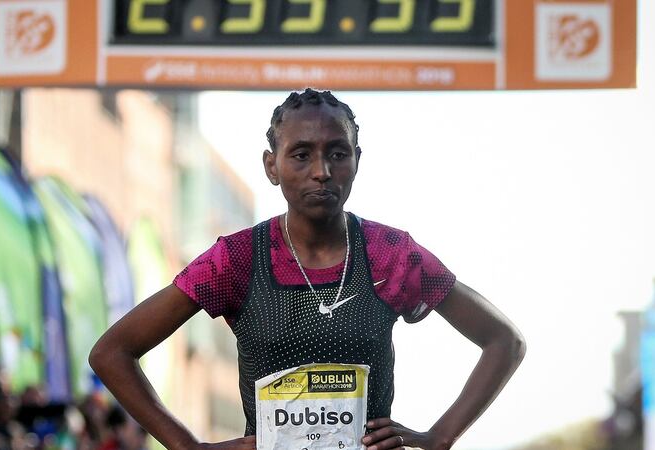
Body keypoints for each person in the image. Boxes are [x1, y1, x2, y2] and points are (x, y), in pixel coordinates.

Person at [90, 89, 526, 450]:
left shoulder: (389, 253)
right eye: (301, 155)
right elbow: (112, 353)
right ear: (272, 166)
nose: (322, 172)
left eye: (338, 153)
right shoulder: (238, 259)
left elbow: (505, 341)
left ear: (357, 160)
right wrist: (188, 446)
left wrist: (440, 437)